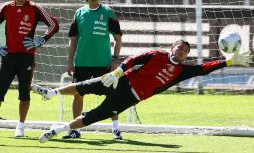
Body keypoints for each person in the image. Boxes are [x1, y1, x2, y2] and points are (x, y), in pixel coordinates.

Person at [31, 39, 252, 143]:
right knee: (86, 86)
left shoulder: (183, 71)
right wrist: (117, 73)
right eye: (180, 47)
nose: (183, 52)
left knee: (96, 115)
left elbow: (204, 69)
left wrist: (228, 62)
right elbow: (132, 59)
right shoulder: (156, 54)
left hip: (131, 97)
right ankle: (51, 93)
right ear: (172, 47)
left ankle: (59, 129)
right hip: (122, 81)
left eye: (186, 51)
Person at [0, 0, 59, 137]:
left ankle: (20, 126)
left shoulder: (35, 8)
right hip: (8, 56)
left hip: (27, 57)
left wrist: (40, 40)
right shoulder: (6, 7)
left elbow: (54, 25)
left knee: (24, 92)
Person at [65, 0, 122, 139]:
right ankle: (75, 130)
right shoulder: (79, 13)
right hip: (82, 62)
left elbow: (118, 37)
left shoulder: (108, 12)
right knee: (78, 94)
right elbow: (73, 38)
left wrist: (115, 59)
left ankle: (116, 129)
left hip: (103, 62)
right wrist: (70, 61)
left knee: (111, 95)